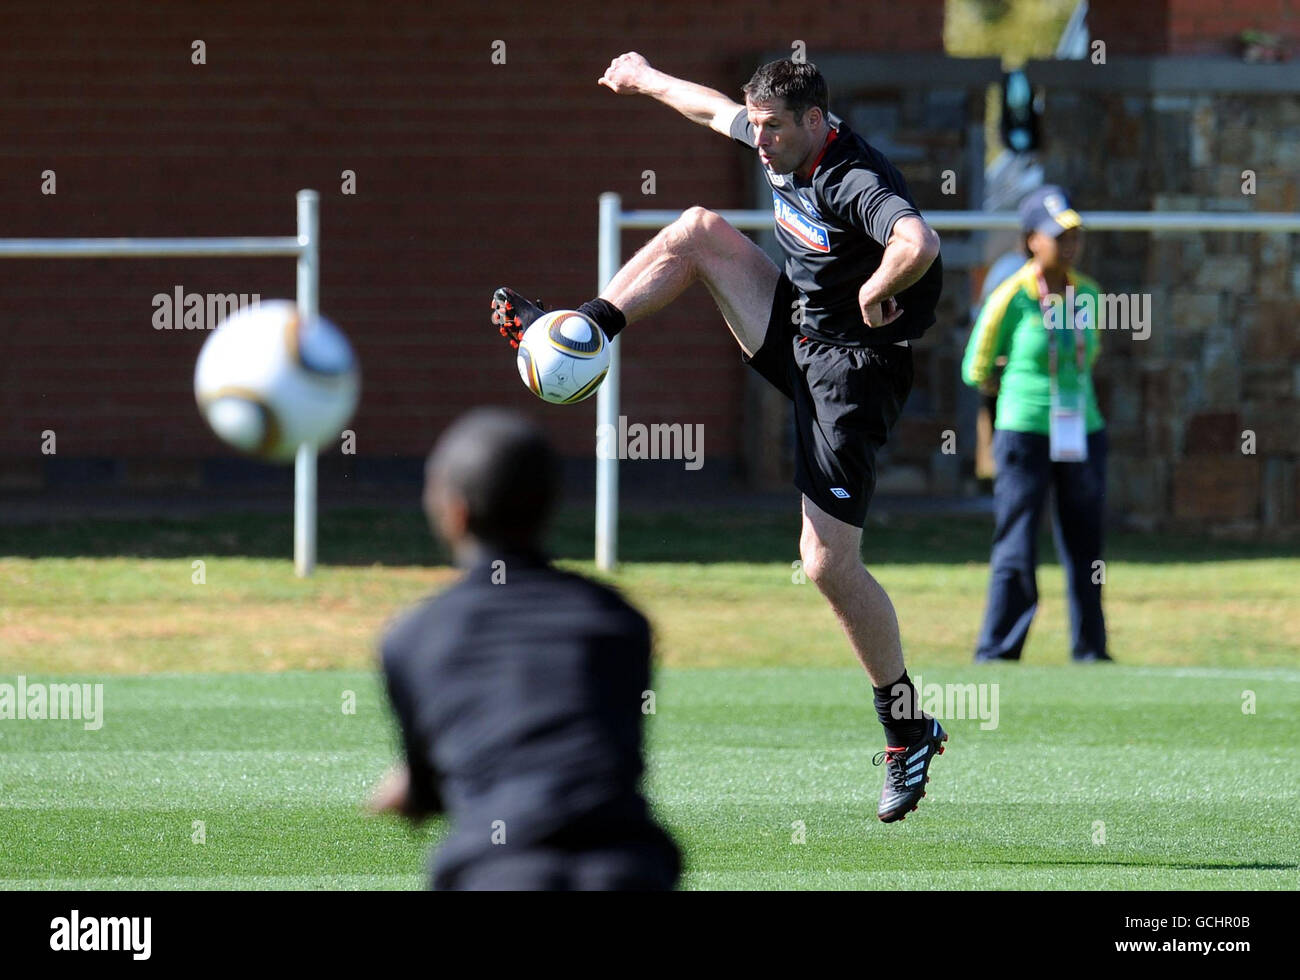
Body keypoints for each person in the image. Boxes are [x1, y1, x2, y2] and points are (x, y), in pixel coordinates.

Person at [491, 53, 947, 822]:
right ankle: (578, 330)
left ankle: (907, 728)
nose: (759, 141)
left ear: (815, 122)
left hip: (854, 374)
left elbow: (918, 241)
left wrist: (874, 287)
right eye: (756, 125)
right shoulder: (780, 138)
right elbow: (710, 112)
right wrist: (643, 77)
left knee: (826, 564)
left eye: (773, 128)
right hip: (802, 328)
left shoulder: (849, 177)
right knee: (699, 230)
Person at [367, 408, 681, 889]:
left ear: (455, 512)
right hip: (625, 866)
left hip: (497, 870)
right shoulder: (617, 622)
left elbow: (429, 791)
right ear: (551, 503)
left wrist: (407, 791)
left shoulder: (414, 637)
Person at [961, 185, 1111, 663]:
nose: (1069, 244)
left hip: (1081, 430)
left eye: (1073, 235)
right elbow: (975, 366)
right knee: (1017, 540)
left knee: (1087, 546)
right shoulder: (1012, 296)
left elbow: (1093, 353)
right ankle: (999, 650)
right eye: (1057, 236)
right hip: (1024, 432)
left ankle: (1091, 649)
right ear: (1031, 240)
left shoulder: (1088, 293)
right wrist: (1013, 390)